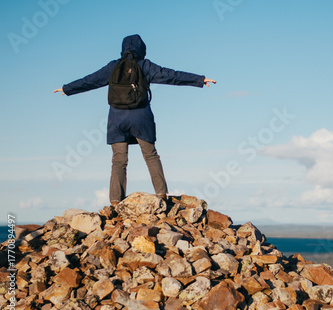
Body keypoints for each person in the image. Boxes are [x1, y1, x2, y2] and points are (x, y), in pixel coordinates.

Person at [54, 34, 216, 207]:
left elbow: (90, 80)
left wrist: (67, 89)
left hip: (117, 119)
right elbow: (172, 76)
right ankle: (161, 195)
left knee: (118, 160)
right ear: (142, 50)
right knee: (151, 156)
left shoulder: (113, 66)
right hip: (141, 118)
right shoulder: (145, 66)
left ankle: (115, 202)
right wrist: (199, 79)